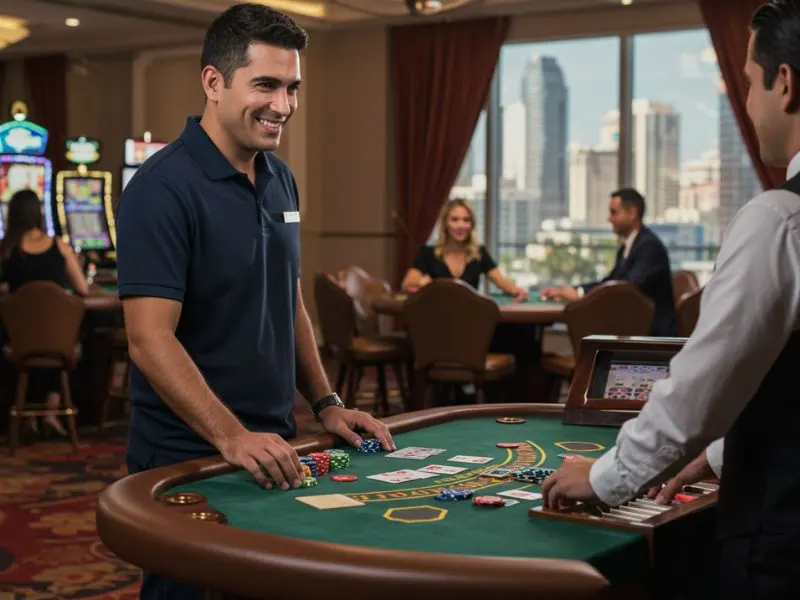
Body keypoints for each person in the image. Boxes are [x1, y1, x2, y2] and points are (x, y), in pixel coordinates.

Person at [115, 4, 395, 599]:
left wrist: (326, 403)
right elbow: (148, 339)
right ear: (213, 82)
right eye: (265, 85)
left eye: (292, 87)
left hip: (272, 443)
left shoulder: (280, 178)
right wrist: (229, 435)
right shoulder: (160, 189)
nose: (283, 105)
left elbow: (287, 299)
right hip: (188, 453)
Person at [542, 1, 800, 596]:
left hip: (781, 534)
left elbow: (701, 390)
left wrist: (605, 477)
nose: (747, 104)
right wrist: (717, 455)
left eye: (748, 83)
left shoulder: (779, 220)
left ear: (785, 83)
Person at [0, 189, 91, 437]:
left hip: (18, 341)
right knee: (66, 336)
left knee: (23, 339)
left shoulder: (6, 249)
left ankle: (26, 414)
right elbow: (82, 288)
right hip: (59, 341)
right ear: (38, 214)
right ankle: (51, 410)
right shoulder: (59, 246)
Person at [540, 188, 676, 336]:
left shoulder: (649, 247)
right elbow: (610, 282)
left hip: (650, 334)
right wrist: (575, 291)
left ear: (632, 213)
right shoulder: (629, 246)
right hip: (631, 327)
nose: (609, 219)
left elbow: (626, 291)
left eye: (613, 212)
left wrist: (580, 298)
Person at [401, 198, 528, 301]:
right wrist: (423, 282)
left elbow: (500, 280)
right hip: (437, 317)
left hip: (470, 318)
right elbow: (407, 284)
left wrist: (516, 290)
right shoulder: (428, 253)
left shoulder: (479, 253)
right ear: (445, 224)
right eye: (454, 220)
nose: (461, 225)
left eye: (466, 220)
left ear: (471, 225)